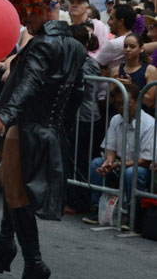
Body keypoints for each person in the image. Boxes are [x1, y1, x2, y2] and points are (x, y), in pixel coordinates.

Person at [0, 0, 85, 279]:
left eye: (26, 13)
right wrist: (60, 128)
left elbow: (30, 85)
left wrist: (6, 115)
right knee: (14, 190)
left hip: (26, 129)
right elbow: (78, 94)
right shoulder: (75, 46)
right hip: (49, 130)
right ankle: (3, 248)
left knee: (16, 195)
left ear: (39, 7)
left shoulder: (41, 45)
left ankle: (34, 266)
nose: (24, 21)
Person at [86, 85, 155, 225]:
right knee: (96, 164)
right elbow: (110, 149)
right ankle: (97, 208)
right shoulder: (115, 120)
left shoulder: (149, 124)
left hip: (140, 167)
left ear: (137, 101)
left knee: (131, 173)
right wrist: (108, 162)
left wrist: (118, 164)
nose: (121, 106)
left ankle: (133, 215)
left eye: (127, 102)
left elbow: (145, 160)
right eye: (118, 103)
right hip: (119, 163)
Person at [63, 23, 104, 214]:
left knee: (79, 159)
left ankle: (79, 201)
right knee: (69, 157)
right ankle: (69, 196)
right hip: (73, 115)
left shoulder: (89, 63)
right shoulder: (72, 60)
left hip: (86, 117)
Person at [113, 33, 157, 112]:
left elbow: (150, 102)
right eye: (125, 46)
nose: (128, 49)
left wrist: (131, 87)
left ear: (141, 49)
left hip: (142, 118)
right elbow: (109, 101)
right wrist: (114, 86)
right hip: (119, 116)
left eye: (132, 46)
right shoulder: (115, 70)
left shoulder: (150, 70)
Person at [95, 4, 137, 71]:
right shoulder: (136, 38)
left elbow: (94, 65)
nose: (108, 22)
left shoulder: (114, 43)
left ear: (121, 21)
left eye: (111, 18)